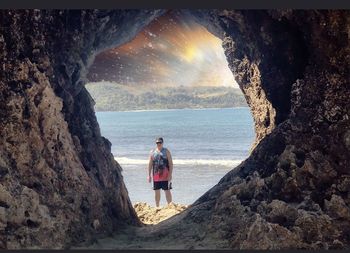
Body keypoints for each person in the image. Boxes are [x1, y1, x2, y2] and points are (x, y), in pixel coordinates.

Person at [147, 137, 173, 208]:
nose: (159, 144)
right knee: (156, 191)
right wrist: (149, 175)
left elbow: (171, 163)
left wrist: (170, 174)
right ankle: (157, 206)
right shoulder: (152, 152)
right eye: (157, 143)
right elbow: (150, 164)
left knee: (167, 190)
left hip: (166, 175)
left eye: (160, 142)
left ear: (162, 143)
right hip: (156, 176)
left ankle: (170, 205)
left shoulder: (166, 151)